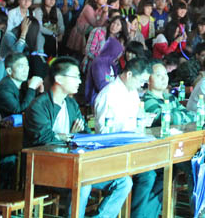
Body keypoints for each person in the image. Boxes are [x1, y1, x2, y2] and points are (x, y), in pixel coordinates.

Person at [23, 56, 132, 218]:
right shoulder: (39, 106)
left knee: (124, 181)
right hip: (47, 168)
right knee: (83, 182)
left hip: (73, 166)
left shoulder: (71, 104)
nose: (79, 81)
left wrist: (69, 136)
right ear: (59, 79)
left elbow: (85, 133)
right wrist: (70, 137)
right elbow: (43, 139)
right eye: (75, 77)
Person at [92, 57, 161, 218]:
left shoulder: (132, 93)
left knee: (160, 170)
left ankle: (141, 214)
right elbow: (103, 131)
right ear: (129, 74)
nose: (142, 85)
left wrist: (143, 119)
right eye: (141, 80)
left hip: (131, 148)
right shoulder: (109, 93)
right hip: (112, 151)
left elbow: (136, 118)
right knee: (147, 176)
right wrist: (130, 124)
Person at [0, 52, 44, 117]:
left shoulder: (23, 84)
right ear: (9, 71)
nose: (26, 70)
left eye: (27, 65)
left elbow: (37, 108)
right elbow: (18, 111)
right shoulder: (3, 89)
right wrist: (31, 88)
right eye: (21, 66)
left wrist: (40, 92)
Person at [142, 61, 195, 126]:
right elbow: (165, 119)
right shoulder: (147, 100)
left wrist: (175, 117)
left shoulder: (171, 97)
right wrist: (180, 116)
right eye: (158, 75)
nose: (164, 78)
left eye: (165, 74)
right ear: (148, 79)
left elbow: (192, 115)